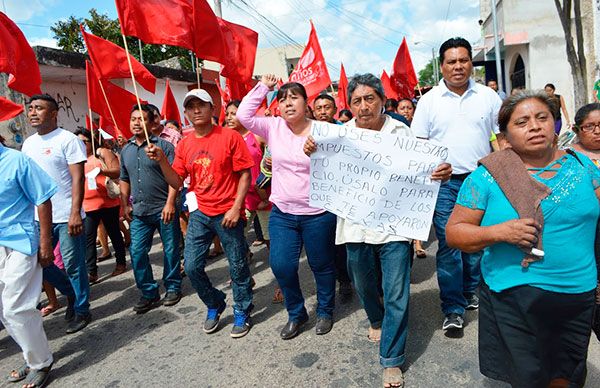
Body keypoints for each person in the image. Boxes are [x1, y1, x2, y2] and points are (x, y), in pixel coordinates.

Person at [304, 73, 451, 388]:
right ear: (350, 105)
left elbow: (424, 170)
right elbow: (322, 165)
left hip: (394, 228)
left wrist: (441, 172)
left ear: (382, 101)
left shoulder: (402, 132)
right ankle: (375, 317)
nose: (363, 106)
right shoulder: (339, 136)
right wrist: (313, 150)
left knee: (397, 292)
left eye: (369, 98)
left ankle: (392, 360)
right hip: (355, 228)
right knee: (364, 284)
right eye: (356, 100)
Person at [446, 90, 599, 387]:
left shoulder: (582, 167)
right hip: (515, 296)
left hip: (577, 292)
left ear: (555, 125)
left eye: (542, 118)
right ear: (505, 136)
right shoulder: (486, 177)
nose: (535, 126)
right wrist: (500, 232)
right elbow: (454, 233)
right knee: (530, 378)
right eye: (522, 122)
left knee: (565, 374)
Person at [147, 89, 255, 338]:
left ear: (212, 109)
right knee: (193, 267)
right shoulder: (185, 144)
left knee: (238, 266)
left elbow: (245, 174)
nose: (196, 110)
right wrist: (162, 160)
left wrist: (237, 207)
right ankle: (215, 303)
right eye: (190, 106)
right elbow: (176, 181)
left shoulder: (229, 136)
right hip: (200, 213)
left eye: (201, 105)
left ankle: (242, 309)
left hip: (228, 212)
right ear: (185, 113)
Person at [411, 37, 502, 331]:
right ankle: (452, 308)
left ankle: (470, 289)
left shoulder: (489, 98)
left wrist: (505, 173)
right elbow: (418, 145)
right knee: (450, 245)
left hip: (481, 182)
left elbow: (500, 139)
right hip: (445, 185)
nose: (459, 66)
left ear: (471, 63)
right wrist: (431, 168)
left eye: (464, 60)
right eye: (452, 61)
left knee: (476, 243)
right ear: (442, 66)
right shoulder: (428, 101)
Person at [237, 74, 337, 340]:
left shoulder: (322, 130)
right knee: (281, 265)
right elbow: (244, 116)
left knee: (321, 264)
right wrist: (263, 87)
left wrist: (321, 152)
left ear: (307, 104)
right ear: (277, 106)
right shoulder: (273, 127)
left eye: (295, 98)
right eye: (283, 99)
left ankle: (326, 310)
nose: (288, 103)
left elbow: (341, 165)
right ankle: (297, 313)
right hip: (283, 212)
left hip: (317, 213)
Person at [21, 94, 92, 334]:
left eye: (39, 108)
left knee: (73, 265)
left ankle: (82, 309)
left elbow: (78, 178)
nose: (32, 112)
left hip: (65, 215)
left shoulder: (68, 140)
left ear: (53, 114)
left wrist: (75, 213)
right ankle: (71, 294)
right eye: (31, 108)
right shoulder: (28, 144)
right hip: (38, 217)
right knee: (42, 263)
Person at [0, 134, 56, 388]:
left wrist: (45, 244)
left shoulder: (16, 160)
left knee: (16, 307)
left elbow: (43, 199)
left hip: (21, 241)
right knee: (4, 310)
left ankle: (41, 362)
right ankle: (31, 354)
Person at [119, 104, 182, 313]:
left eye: (141, 119)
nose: (136, 123)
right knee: (137, 252)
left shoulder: (164, 147)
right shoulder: (125, 150)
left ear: (150, 123)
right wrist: (124, 203)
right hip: (139, 212)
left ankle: (173, 286)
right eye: (133, 119)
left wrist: (170, 203)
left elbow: (176, 178)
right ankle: (148, 292)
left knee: (171, 249)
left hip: (164, 208)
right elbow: (124, 178)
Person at [312, 94, 353, 301]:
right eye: (318, 108)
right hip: (316, 197)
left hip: (342, 195)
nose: (322, 112)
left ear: (335, 109)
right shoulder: (307, 132)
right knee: (324, 243)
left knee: (341, 243)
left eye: (326, 107)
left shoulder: (346, 132)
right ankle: (334, 280)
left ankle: (345, 280)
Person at [75, 129, 127, 283]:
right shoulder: (75, 158)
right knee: (88, 238)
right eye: (78, 142)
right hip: (88, 204)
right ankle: (92, 271)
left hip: (107, 202)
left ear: (92, 141)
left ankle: (121, 263)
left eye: (84, 141)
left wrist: (102, 170)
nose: (81, 145)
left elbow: (118, 171)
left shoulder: (101, 153)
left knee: (114, 233)